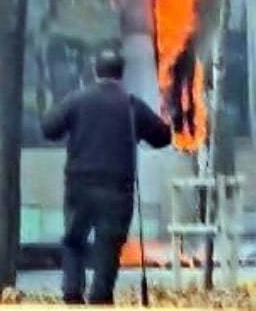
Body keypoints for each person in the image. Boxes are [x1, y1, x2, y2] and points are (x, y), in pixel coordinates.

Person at [42, 45, 171, 305]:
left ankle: (72, 292)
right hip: (117, 191)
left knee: (73, 240)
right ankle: (101, 297)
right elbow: (162, 137)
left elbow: (49, 128)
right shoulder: (132, 106)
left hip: (80, 186)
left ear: (94, 72)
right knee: (108, 246)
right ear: (121, 74)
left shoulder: (77, 100)